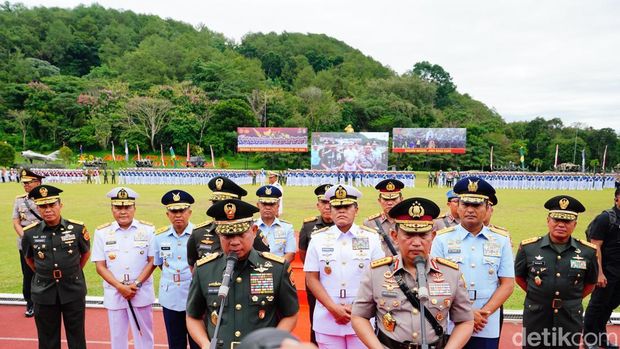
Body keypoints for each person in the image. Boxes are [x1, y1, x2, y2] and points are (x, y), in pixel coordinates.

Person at [352, 197, 474, 348]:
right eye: (408, 235)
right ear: (394, 236)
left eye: (423, 235)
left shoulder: (450, 273)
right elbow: (359, 316)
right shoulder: (376, 272)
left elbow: (465, 320)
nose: (416, 242)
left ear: (433, 236)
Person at [186, 199, 299, 349]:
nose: (234, 242)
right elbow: (193, 316)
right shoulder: (204, 269)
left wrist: (272, 343)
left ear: (253, 231)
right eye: (227, 236)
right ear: (219, 235)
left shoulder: (276, 268)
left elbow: (291, 314)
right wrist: (205, 344)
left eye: (240, 234)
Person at [431, 177, 514, 349]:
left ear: (487, 208)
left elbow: (507, 284)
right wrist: (467, 313)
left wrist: (484, 313)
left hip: (486, 321)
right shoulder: (442, 239)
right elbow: (436, 282)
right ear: (458, 207)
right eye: (465, 204)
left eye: (476, 205)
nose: (470, 210)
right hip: (451, 319)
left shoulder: (501, 240)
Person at [304, 184, 384, 349]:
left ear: (356, 209)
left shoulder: (371, 238)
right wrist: (333, 308)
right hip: (327, 318)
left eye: (346, 206)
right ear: (330, 210)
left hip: (362, 318)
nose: (341, 210)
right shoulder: (318, 239)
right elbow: (311, 278)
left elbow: (380, 276)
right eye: (337, 207)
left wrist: (356, 308)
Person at [515, 195, 597, 349]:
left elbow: (590, 283)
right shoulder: (529, 248)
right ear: (548, 221)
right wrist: (540, 294)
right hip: (537, 315)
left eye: (567, 221)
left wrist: (570, 299)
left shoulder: (587, 252)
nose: (561, 224)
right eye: (556, 220)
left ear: (575, 224)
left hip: (569, 316)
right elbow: (519, 278)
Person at [21, 184, 90, 349]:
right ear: (37, 208)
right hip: (44, 290)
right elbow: (29, 259)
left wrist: (71, 271)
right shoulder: (30, 233)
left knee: (77, 337)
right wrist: (45, 273)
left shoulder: (77, 229)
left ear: (61, 205)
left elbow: (85, 254)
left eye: (52, 205)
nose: (48, 210)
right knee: (47, 338)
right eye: (43, 206)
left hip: (72, 287)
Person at [91, 187, 157, 349]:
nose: (123, 212)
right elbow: (100, 266)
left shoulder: (148, 230)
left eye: (127, 207)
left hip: (140, 291)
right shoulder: (102, 232)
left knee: (144, 335)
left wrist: (137, 284)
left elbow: (152, 261)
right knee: (118, 337)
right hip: (115, 292)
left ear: (134, 208)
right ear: (112, 209)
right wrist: (120, 287)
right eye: (118, 207)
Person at [186, 176, 269, 268]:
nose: (220, 206)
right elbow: (193, 267)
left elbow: (266, 265)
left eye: (225, 203)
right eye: (215, 202)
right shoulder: (198, 233)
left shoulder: (252, 234)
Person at [153, 190, 199, 349]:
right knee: (175, 342)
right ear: (167, 214)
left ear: (189, 212)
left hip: (194, 296)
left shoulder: (199, 234)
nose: (178, 214)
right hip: (171, 296)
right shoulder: (159, 236)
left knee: (197, 342)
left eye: (182, 211)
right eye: (173, 211)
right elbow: (159, 263)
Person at [298, 184, 335, 344]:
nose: (327, 207)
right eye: (323, 203)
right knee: (315, 317)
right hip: (315, 280)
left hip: (338, 281)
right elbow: (303, 255)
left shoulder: (344, 226)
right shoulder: (308, 226)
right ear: (318, 205)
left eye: (330, 203)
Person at [583, 187, 620, 349]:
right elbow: (595, 245)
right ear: (616, 199)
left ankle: (601, 337)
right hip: (606, 270)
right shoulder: (606, 218)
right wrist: (599, 273)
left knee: (610, 305)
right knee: (597, 304)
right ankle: (589, 339)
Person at [12, 169, 44, 317]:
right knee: (28, 274)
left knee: (46, 271)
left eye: (28, 182)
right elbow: (16, 222)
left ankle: (46, 302)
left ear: (38, 182)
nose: (25, 185)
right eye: (23, 183)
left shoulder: (46, 197)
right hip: (25, 241)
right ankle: (30, 304)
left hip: (44, 240)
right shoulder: (19, 200)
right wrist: (26, 238)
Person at [363, 179, 404, 256]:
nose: (390, 203)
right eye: (386, 199)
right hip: (380, 265)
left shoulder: (408, 221)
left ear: (401, 200)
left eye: (394, 199)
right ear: (379, 201)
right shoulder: (370, 223)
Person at [255, 184, 296, 262]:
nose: (268, 207)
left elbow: (290, 254)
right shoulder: (251, 226)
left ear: (278, 206)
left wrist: (274, 267)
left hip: (279, 270)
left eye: (271, 204)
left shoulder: (287, 227)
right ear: (258, 205)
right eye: (264, 204)